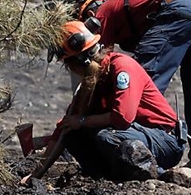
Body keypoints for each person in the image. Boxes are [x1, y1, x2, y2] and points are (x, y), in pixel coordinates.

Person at [19, 20, 186, 186]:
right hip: (132, 137)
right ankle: (111, 176)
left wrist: (83, 121)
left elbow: (122, 117)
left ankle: (157, 173)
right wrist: (36, 175)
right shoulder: (91, 83)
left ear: (79, 61)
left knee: (106, 136)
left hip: (164, 141)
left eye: (69, 64)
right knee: (74, 135)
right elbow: (63, 130)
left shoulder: (122, 67)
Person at [74, 0, 191, 162]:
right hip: (185, 6)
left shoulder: (102, 15)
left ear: (90, 16)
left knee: (141, 82)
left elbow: (98, 66)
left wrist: (83, 117)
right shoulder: (121, 8)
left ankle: (148, 147)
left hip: (177, 12)